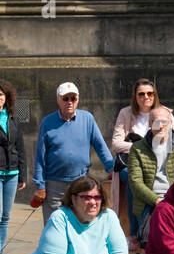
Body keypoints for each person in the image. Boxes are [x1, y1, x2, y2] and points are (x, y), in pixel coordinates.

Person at [33, 82, 114, 221]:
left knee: (81, 223)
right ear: (58, 99)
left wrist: (111, 167)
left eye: (73, 98)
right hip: (55, 185)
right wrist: (40, 186)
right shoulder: (47, 122)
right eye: (65, 99)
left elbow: (100, 146)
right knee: (54, 225)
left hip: (81, 182)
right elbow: (40, 157)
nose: (69, 102)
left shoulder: (87, 119)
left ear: (78, 99)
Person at [111, 79, 174, 234]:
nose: (146, 97)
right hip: (131, 162)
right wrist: (143, 147)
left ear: (155, 96)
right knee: (133, 179)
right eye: (141, 94)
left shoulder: (164, 112)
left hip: (159, 162)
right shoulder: (125, 113)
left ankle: (157, 224)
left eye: (150, 93)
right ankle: (137, 233)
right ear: (135, 96)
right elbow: (116, 144)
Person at [127, 106, 174, 247]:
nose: (161, 126)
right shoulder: (138, 148)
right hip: (150, 203)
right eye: (156, 122)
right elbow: (135, 182)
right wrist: (157, 200)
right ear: (150, 124)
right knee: (153, 240)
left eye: (164, 122)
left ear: (171, 123)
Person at [0, 78, 26, 254]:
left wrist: (23, 175)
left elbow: (20, 148)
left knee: (6, 217)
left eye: (1, 95)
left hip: (12, 173)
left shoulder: (14, 118)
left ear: (6, 97)